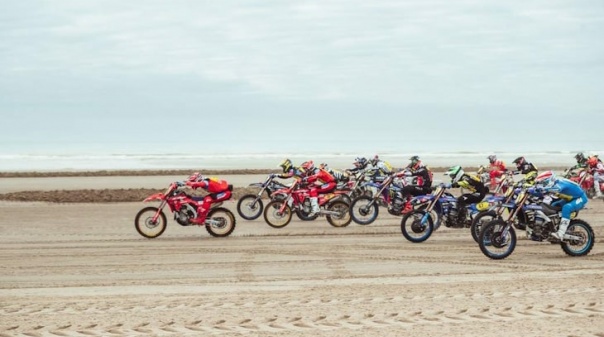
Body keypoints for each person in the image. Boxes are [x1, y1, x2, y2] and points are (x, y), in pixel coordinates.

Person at [534, 171, 588, 240]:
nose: (543, 184)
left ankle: (561, 233)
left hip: (580, 198)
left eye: (544, 183)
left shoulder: (560, 182)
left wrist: (542, 189)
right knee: (553, 206)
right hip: (569, 199)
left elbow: (557, 189)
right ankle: (554, 227)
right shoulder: (554, 183)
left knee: (567, 208)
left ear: (550, 180)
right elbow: (542, 193)